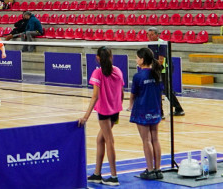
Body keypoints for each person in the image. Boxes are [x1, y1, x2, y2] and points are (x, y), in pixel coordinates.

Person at [78, 47, 124, 186]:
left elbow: (95, 97)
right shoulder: (118, 71)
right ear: (111, 56)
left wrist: (85, 117)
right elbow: (121, 93)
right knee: (100, 140)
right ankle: (97, 174)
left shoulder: (98, 73)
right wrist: (117, 107)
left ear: (98, 58)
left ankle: (114, 176)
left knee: (109, 140)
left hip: (104, 112)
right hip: (115, 111)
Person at [129, 48, 164, 180]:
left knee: (146, 140)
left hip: (142, 111)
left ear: (142, 60)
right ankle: (158, 169)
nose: (136, 60)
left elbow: (133, 94)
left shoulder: (138, 76)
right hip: (155, 110)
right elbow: (159, 93)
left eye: (137, 57)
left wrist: (130, 105)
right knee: (155, 139)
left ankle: (150, 170)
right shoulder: (156, 74)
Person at [147, 27, 184, 117]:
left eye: (152, 35)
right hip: (156, 69)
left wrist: (152, 68)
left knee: (166, 90)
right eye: (148, 35)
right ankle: (163, 111)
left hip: (164, 69)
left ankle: (176, 109)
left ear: (157, 35)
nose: (150, 37)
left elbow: (160, 60)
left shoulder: (162, 43)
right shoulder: (149, 44)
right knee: (158, 90)